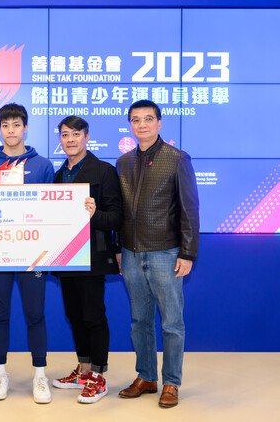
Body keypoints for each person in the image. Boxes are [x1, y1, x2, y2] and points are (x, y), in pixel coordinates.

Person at [116, 100, 199, 408]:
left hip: (166, 252)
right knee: (140, 321)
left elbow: (190, 209)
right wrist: (118, 250)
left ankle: (172, 383)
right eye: (136, 120)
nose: (142, 125)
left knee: (171, 323)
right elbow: (121, 211)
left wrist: (188, 252)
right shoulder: (123, 162)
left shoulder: (177, 159)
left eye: (148, 119)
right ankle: (147, 377)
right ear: (130, 125)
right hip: (132, 254)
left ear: (159, 123)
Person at [0, 103, 55, 404]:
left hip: (33, 254)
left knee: (35, 314)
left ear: (25, 127)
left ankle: (39, 375)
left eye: (16, 125)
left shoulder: (43, 165)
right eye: (5, 125)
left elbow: (53, 211)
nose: (11, 131)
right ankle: (0, 371)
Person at [51, 116, 123, 404]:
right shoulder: (59, 175)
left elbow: (116, 216)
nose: (70, 140)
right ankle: (83, 369)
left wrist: (95, 215)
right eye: (65, 135)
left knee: (93, 316)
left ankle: (98, 376)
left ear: (87, 137)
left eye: (75, 134)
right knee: (74, 315)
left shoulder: (104, 171)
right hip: (66, 257)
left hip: (93, 256)